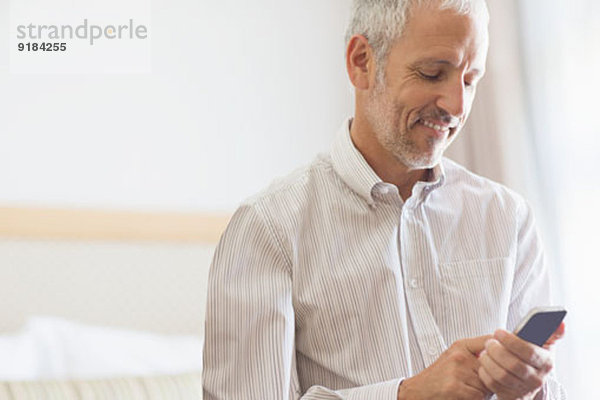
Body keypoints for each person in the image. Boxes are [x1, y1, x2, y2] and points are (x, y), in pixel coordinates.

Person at [203, 0, 566, 399]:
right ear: (362, 62)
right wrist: (405, 395)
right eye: (433, 73)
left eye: (469, 80)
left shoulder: (508, 218)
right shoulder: (268, 230)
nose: (456, 106)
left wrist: (532, 387)